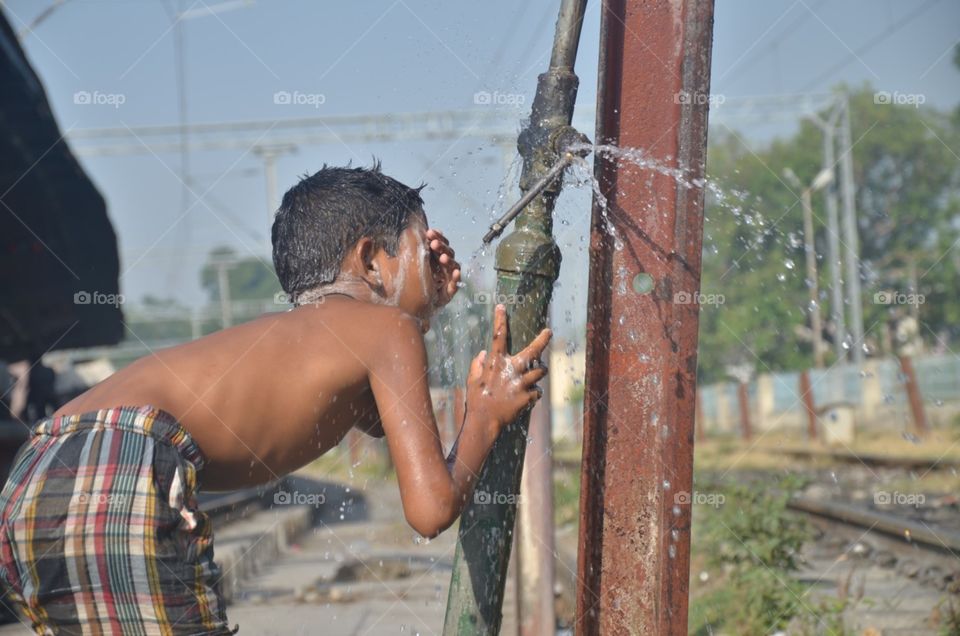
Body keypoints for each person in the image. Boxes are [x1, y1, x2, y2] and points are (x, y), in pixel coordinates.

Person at [0, 163, 551, 635]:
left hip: (37, 466)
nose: (432, 267)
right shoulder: (388, 332)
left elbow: (386, 419)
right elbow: (430, 510)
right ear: (371, 260)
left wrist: (425, 308)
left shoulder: (316, 338)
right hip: (121, 462)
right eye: (418, 247)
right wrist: (483, 417)